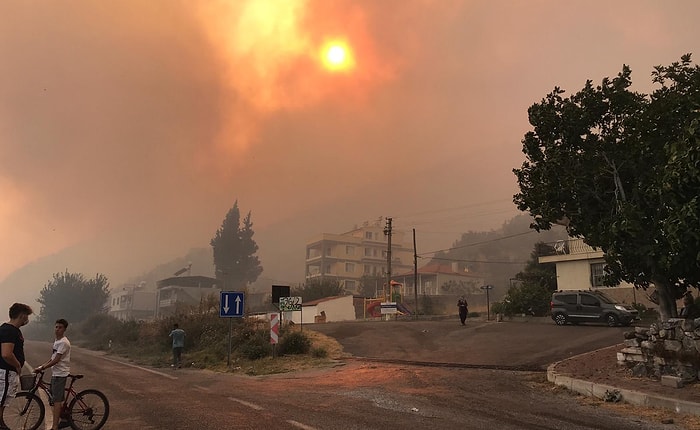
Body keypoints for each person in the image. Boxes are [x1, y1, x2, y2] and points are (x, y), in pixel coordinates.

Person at [0, 303, 33, 430]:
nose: (27, 320)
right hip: (6, 372)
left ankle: (1, 423)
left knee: (3, 399)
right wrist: (18, 365)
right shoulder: (9, 331)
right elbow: (7, 354)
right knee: (1, 399)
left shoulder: (11, 330)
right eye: (26, 316)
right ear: (22, 315)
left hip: (7, 371)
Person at [34, 319, 71, 430]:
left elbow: (56, 360)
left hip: (61, 373)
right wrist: (41, 366)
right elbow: (52, 358)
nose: (57, 329)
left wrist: (44, 367)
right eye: (56, 327)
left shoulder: (64, 342)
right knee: (56, 398)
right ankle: (64, 419)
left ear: (64, 329)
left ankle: (54, 426)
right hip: (56, 372)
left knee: (56, 401)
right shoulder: (57, 341)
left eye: (60, 327)